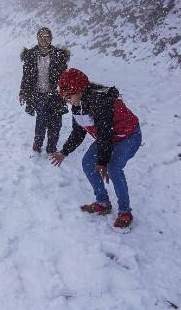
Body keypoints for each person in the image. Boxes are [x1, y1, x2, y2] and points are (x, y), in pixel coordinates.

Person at [49, 68, 141, 229]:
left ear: (80, 89)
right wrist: (64, 152)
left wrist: (103, 162)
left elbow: (105, 133)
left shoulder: (100, 101)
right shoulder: (78, 105)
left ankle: (125, 212)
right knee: (87, 163)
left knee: (113, 169)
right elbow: (78, 132)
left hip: (128, 137)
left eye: (70, 95)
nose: (68, 100)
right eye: (65, 97)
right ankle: (103, 202)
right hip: (108, 138)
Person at [18, 27, 69, 154]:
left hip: (56, 94)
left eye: (46, 36)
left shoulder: (59, 55)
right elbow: (26, 77)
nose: (43, 39)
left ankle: (52, 147)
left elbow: (65, 77)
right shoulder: (30, 55)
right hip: (38, 94)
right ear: (37, 38)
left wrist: (66, 92)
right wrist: (23, 92)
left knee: (56, 122)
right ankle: (37, 144)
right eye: (41, 36)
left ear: (51, 38)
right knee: (41, 120)